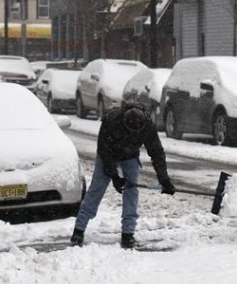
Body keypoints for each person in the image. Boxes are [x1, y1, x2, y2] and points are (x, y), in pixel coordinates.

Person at [70, 104, 176, 249]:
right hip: (108, 154)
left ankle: (128, 233)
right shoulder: (111, 120)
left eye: (136, 132)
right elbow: (104, 150)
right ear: (124, 124)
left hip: (130, 155)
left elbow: (156, 152)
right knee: (97, 188)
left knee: (131, 190)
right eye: (130, 131)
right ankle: (79, 230)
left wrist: (164, 179)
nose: (133, 134)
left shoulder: (147, 126)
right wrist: (114, 177)